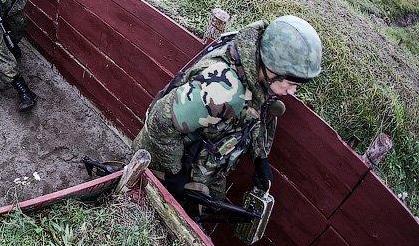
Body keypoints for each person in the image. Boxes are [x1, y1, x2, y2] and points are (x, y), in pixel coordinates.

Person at [133, 15, 322, 208]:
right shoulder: (223, 90)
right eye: (290, 83)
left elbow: (255, 110)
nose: (292, 92)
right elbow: (159, 121)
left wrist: (260, 157)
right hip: (162, 164)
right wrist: (173, 175)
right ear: (272, 69)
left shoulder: (254, 61)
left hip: (209, 164)